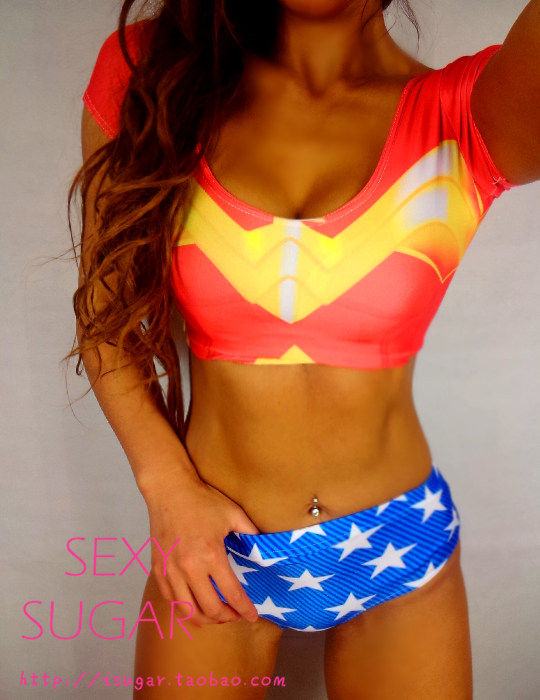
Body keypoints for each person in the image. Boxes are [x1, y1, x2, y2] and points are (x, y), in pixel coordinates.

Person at [68, 0, 539, 697]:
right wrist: (167, 490)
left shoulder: (468, 115)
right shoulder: (152, 71)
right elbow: (102, 315)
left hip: (398, 545)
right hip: (210, 547)